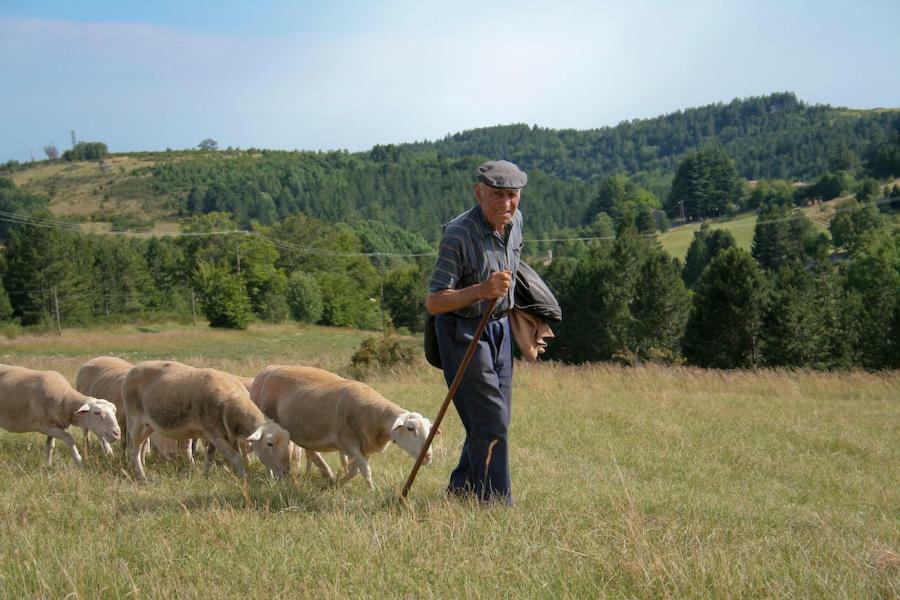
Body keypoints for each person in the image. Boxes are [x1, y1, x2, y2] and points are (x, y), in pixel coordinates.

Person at [425, 159, 526, 505]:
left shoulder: (515, 224)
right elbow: (435, 301)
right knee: (492, 419)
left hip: (500, 330)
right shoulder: (458, 234)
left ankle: (461, 491)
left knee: (494, 420)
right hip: (462, 331)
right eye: (497, 195)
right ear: (478, 192)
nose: (506, 203)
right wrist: (481, 290)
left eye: (512, 195)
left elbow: (516, 270)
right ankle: (496, 505)